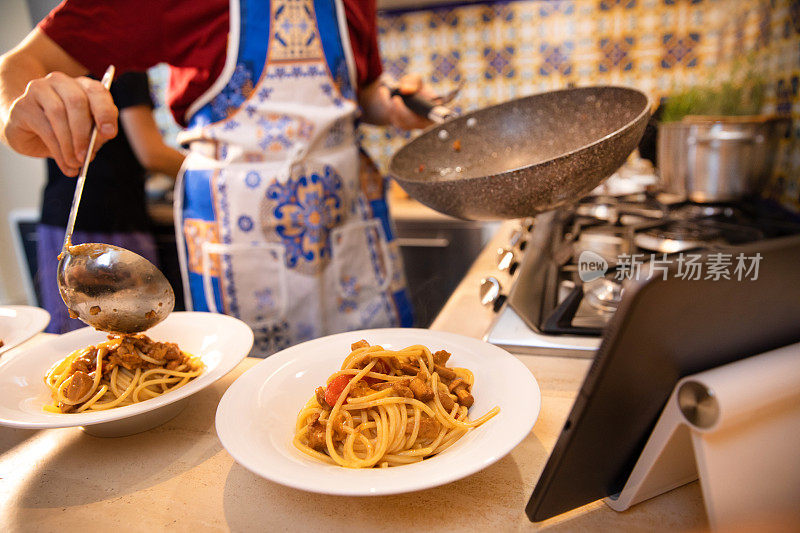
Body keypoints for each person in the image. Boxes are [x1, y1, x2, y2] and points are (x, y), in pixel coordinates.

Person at [0, 0, 432, 354]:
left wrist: (391, 104)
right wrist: (19, 113)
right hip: (241, 236)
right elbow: (19, 65)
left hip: (348, 226)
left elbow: (365, 92)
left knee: (380, 380)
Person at [36, 70, 185, 333]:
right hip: (111, 225)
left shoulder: (56, 65)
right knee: (131, 331)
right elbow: (152, 154)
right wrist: (211, 172)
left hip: (57, 217)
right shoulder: (128, 69)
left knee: (71, 334)